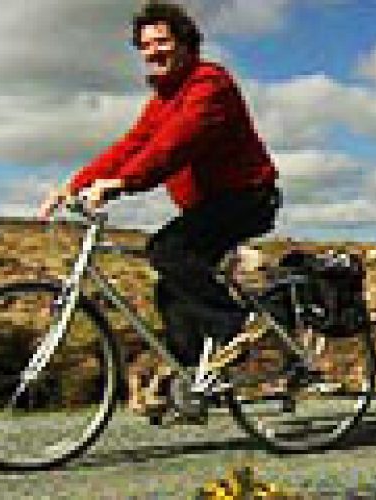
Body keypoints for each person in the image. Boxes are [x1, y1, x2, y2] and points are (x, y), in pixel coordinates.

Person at [37, 1, 279, 378]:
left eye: (161, 42)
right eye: (145, 45)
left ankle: (239, 326)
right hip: (209, 206)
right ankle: (193, 379)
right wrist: (74, 185)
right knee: (171, 291)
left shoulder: (209, 83)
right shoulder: (163, 101)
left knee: (168, 250)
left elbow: (178, 142)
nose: (152, 52)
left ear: (185, 44)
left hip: (248, 196)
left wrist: (123, 183)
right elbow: (132, 145)